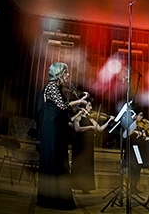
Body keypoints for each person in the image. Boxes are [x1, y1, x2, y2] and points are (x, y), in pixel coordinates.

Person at [36, 62, 89, 209]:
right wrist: (80, 101)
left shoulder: (57, 88)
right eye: (65, 73)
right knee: (54, 160)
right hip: (51, 130)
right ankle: (53, 199)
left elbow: (64, 107)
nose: (68, 75)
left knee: (58, 160)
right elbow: (63, 106)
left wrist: (80, 101)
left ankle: (55, 197)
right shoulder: (52, 86)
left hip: (56, 129)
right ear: (59, 74)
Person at [70, 102, 114, 194]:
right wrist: (89, 127)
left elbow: (100, 129)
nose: (91, 107)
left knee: (87, 166)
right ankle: (73, 186)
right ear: (85, 107)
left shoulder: (91, 118)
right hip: (79, 143)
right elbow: (77, 129)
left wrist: (109, 121)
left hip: (88, 145)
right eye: (89, 105)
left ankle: (85, 187)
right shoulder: (78, 116)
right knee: (78, 165)